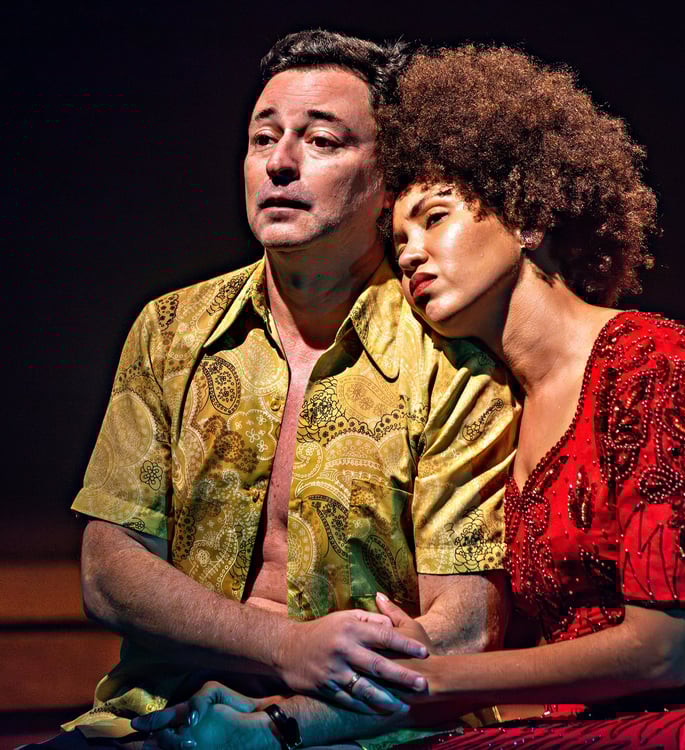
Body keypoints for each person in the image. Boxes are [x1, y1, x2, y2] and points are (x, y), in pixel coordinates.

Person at [142, 44, 685, 749]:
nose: (409, 251)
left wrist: (422, 674)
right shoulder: (504, 401)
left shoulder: (658, 370)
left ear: (527, 216)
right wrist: (280, 716)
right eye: (399, 236)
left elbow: (663, 653)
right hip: (590, 725)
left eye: (434, 218)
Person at [29, 33, 521, 750]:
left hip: (367, 729)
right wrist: (284, 645)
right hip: (161, 714)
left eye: (321, 140)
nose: (279, 162)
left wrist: (290, 711)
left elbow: (465, 627)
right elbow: (108, 570)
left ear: (389, 183)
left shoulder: (453, 361)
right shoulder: (170, 328)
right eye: (263, 138)